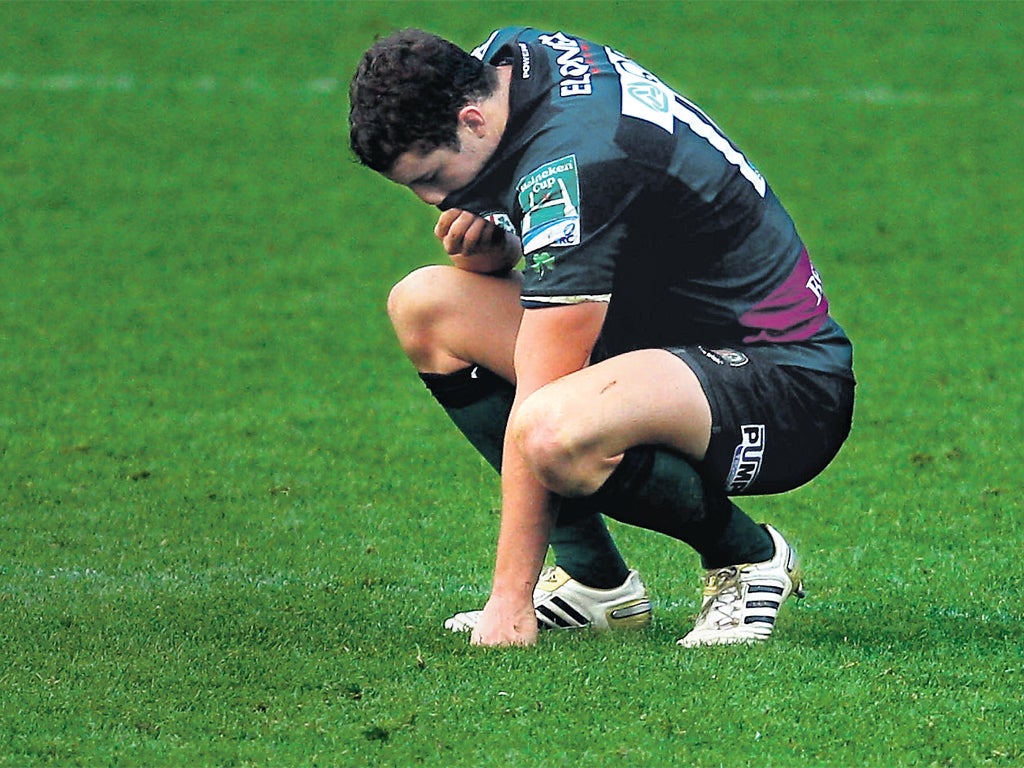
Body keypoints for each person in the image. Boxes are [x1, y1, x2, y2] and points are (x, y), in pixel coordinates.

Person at [348, 27, 855, 648]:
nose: (431, 198)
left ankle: (747, 560)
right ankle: (597, 586)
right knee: (427, 306)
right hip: (664, 343)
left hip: (785, 380)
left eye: (430, 175)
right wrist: (503, 240)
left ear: (472, 119)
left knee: (553, 431)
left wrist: (507, 603)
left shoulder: (574, 161)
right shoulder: (508, 58)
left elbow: (544, 387)